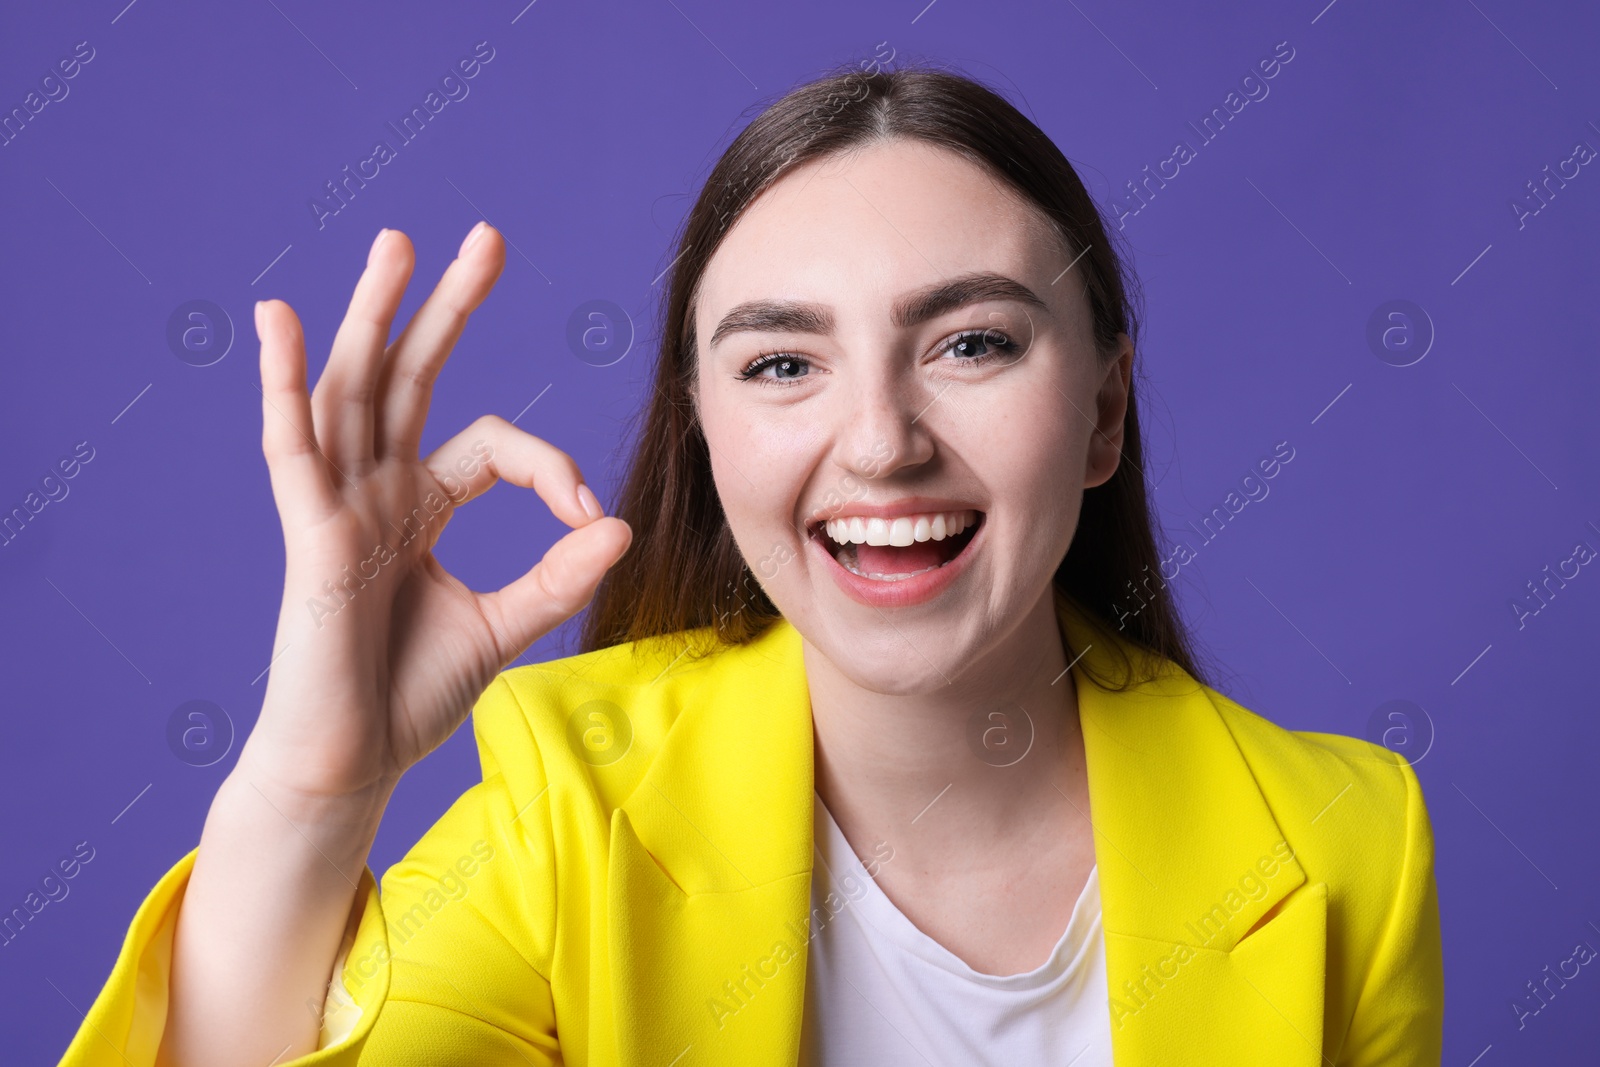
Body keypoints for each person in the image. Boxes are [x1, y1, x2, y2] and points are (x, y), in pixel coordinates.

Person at [59, 64, 1443, 1066]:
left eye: (971, 344)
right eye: (784, 363)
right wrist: (314, 782)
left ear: (1101, 411)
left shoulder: (1345, 848)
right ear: (706, 430)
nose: (883, 442)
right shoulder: (576, 805)